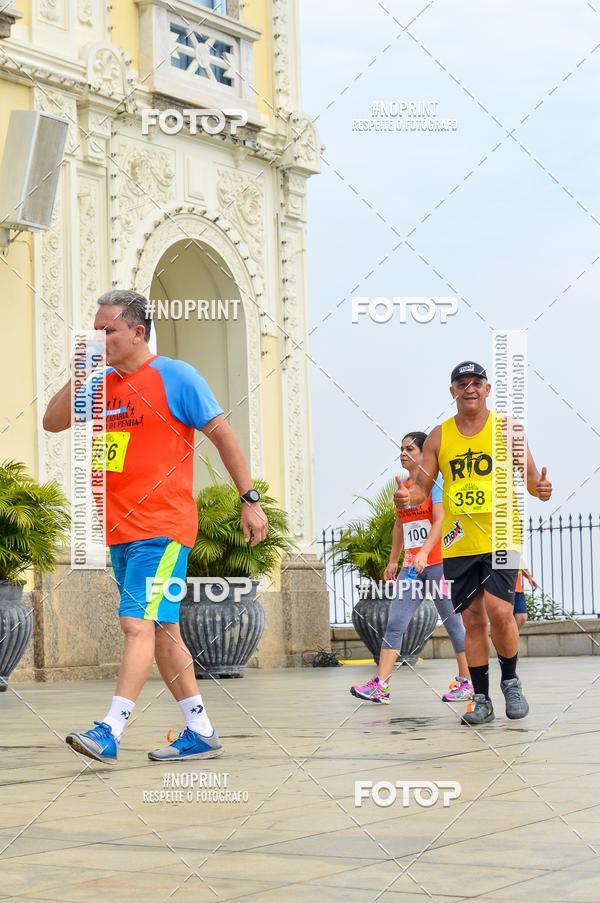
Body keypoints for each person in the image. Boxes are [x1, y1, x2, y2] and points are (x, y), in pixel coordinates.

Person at [43, 290, 268, 764]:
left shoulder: (176, 376)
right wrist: (81, 371)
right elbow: (53, 422)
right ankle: (200, 730)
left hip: (162, 528)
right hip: (120, 531)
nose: (99, 337)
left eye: (108, 330)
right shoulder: (101, 383)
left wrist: (250, 500)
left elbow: (223, 435)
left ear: (138, 332)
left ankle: (110, 729)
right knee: (165, 632)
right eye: (96, 329)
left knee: (136, 623)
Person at [394, 361, 552, 725]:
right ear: (452, 391)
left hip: (500, 534)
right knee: (473, 621)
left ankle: (510, 681)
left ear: (487, 388)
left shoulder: (507, 429)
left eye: (476, 382)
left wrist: (540, 489)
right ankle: (481, 698)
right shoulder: (439, 436)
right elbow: (422, 488)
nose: (469, 388)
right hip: (459, 542)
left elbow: (530, 479)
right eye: (461, 383)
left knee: (501, 612)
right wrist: (409, 498)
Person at [350, 431, 473, 705]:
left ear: (424, 453)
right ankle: (380, 685)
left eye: (410, 449)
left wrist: (426, 552)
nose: (403, 454)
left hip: (439, 565)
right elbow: (399, 525)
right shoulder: (404, 487)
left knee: (453, 623)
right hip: (412, 568)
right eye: (401, 449)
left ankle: (468, 682)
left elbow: (440, 521)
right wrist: (394, 560)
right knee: (395, 622)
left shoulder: (436, 483)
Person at [514, 562, 538, 629]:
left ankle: (511, 638)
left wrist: (529, 577)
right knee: (506, 617)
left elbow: (519, 565)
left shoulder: (515, 553)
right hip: (505, 588)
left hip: (518, 588)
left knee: (522, 617)